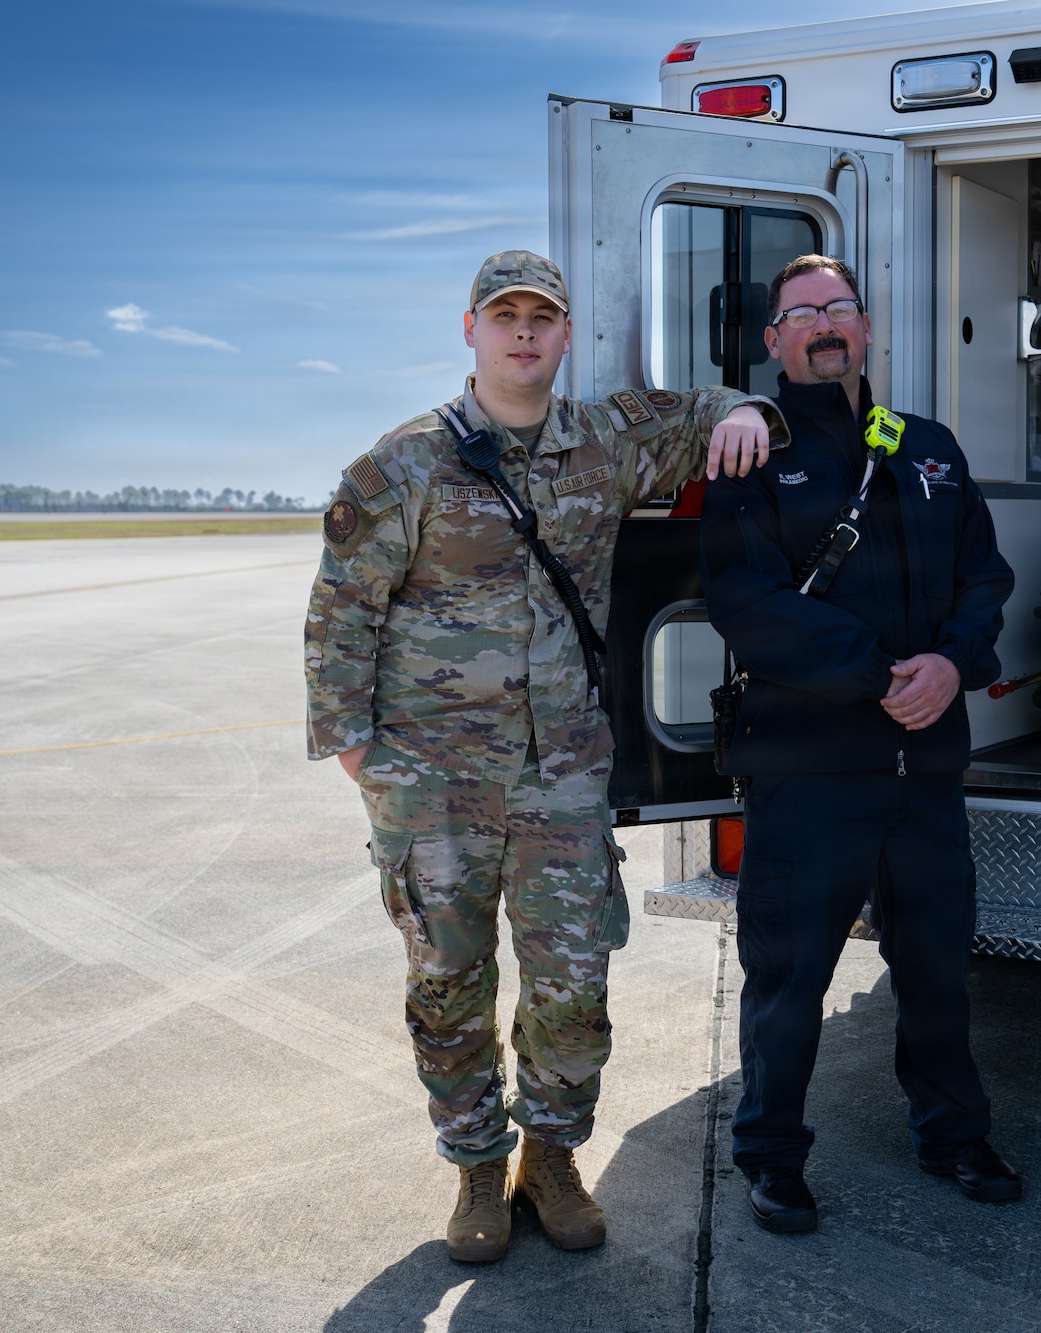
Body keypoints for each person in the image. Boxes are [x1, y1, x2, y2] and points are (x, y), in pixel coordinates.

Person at [304, 250, 784, 1264]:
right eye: (504, 315)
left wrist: (746, 412)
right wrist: (356, 752)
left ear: (564, 335)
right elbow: (342, 607)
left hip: (562, 773)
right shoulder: (403, 463)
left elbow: (707, 414)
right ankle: (477, 1167)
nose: (523, 332)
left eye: (541, 317)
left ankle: (552, 1159)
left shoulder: (605, 444)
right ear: (470, 330)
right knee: (449, 982)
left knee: (573, 980)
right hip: (431, 783)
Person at [699, 254, 1019, 1235]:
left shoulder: (927, 448)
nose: (823, 324)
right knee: (789, 974)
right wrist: (878, 675)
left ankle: (952, 1132)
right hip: (807, 769)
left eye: (838, 307)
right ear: (773, 341)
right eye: (801, 313)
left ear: (866, 327)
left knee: (933, 965)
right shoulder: (751, 453)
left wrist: (950, 663)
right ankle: (770, 1155)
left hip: (923, 767)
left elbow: (984, 575)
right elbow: (742, 603)